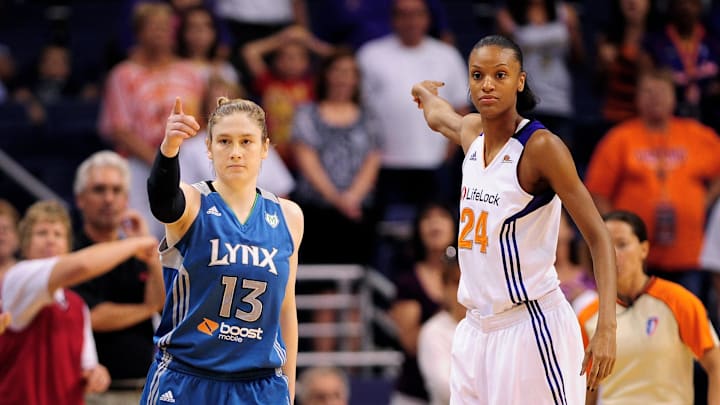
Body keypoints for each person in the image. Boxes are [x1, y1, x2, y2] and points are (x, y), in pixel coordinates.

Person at [410, 34, 617, 403]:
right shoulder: (473, 134)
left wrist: (606, 329)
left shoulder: (541, 148)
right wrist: (424, 94)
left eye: (500, 74)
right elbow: (440, 117)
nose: (487, 84)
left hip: (530, 325)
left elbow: (599, 237)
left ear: (520, 81)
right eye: (477, 75)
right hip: (474, 330)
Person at [142, 96, 303, 404]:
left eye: (247, 141)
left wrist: (289, 391)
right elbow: (163, 201)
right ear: (209, 148)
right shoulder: (193, 201)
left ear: (265, 148)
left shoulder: (289, 216)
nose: (236, 152)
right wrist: (169, 148)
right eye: (225, 142)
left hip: (260, 384)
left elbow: (285, 308)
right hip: (187, 378)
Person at [0, 200, 159, 405]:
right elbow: (82, 265)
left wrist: (96, 374)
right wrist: (137, 243)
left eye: (57, 234)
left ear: (68, 246)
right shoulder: (18, 277)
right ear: (25, 243)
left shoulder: (77, 304)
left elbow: (87, 366)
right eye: (41, 233)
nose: (50, 240)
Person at [584, 67, 720, 304]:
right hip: (637, 257)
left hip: (688, 254)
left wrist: (706, 200)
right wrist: (619, 231)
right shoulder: (620, 138)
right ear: (637, 98)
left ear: (673, 97)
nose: (655, 97)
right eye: (648, 91)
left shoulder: (697, 135)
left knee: (686, 322)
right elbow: (597, 192)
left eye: (661, 91)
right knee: (640, 324)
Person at [579, 210, 720, 405]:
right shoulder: (588, 317)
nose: (613, 254)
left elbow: (716, 365)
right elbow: (587, 390)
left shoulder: (678, 301)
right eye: (605, 246)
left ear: (644, 249)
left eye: (622, 244)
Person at [98, 1, 206, 239]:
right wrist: (162, 163)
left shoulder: (190, 72)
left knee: (190, 233)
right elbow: (120, 130)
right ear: (139, 32)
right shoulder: (123, 74)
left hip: (186, 161)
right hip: (140, 163)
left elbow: (201, 120)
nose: (161, 33)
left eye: (166, 27)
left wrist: (177, 162)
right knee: (142, 236)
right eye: (154, 27)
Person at [70, 150, 165, 405]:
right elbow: (93, 317)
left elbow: (164, 303)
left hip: (142, 386)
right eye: (99, 190)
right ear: (80, 199)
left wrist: (150, 253)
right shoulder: (70, 253)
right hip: (90, 391)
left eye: (116, 190)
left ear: (126, 199)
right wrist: (147, 309)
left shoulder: (135, 251)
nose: (109, 199)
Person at [388, 201, 457, 404]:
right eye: (427, 218)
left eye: (442, 217)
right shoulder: (408, 281)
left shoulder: (472, 272)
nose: (435, 223)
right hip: (415, 392)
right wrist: (448, 308)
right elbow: (410, 343)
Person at [417, 245, 464, 405]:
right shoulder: (433, 331)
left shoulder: (490, 326)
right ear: (444, 287)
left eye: (466, 281)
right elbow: (445, 389)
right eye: (455, 282)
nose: (461, 289)